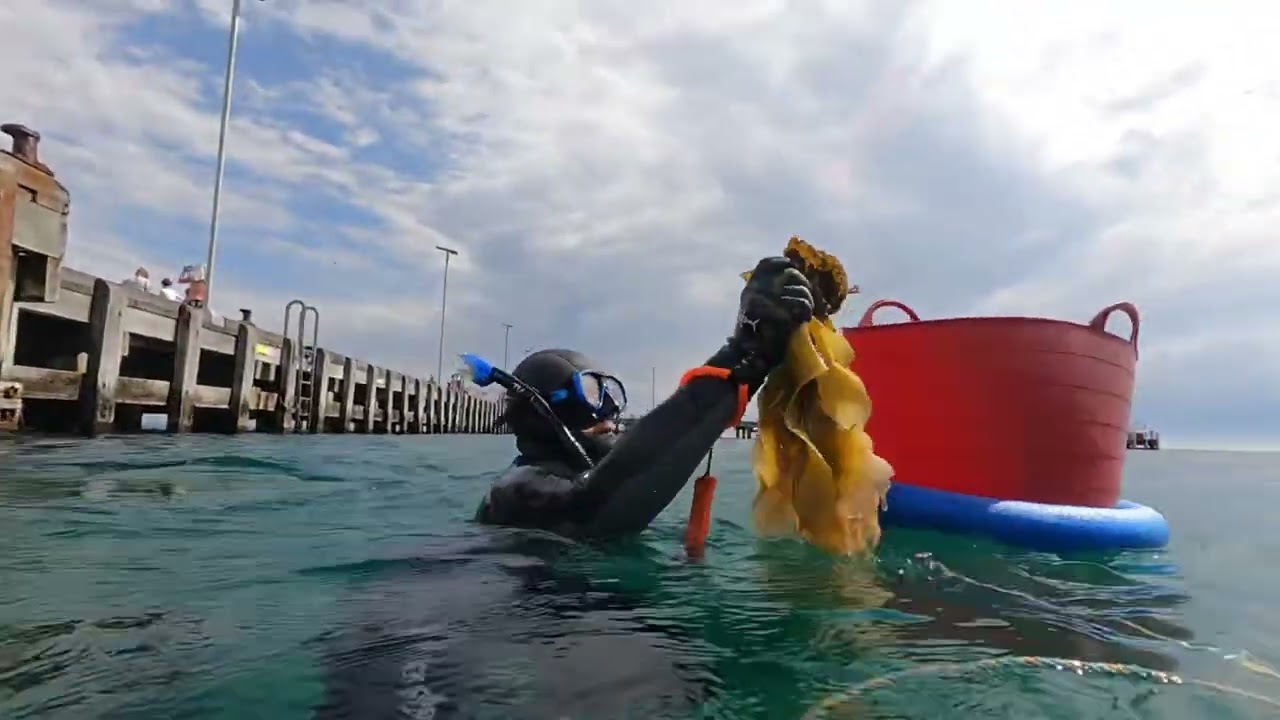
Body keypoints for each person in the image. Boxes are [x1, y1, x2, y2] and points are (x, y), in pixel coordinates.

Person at [475, 255, 815, 538]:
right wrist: (742, 352)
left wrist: (757, 361)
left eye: (612, 392)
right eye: (592, 393)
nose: (609, 412)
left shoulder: (581, 472)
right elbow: (594, 502)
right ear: (543, 413)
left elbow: (633, 464)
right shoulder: (515, 491)